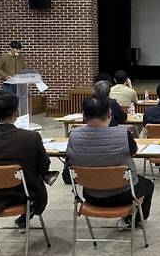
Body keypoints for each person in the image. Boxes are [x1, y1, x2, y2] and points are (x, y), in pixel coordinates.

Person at [66, 95, 154, 228]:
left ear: (83, 115)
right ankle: (133, 221)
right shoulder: (123, 134)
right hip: (125, 195)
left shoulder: (73, 136)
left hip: (91, 195)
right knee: (148, 184)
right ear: (109, 113)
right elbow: (133, 152)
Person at [0, 90, 50, 229]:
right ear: (16, 112)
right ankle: (25, 218)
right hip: (24, 197)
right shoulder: (31, 138)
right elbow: (43, 167)